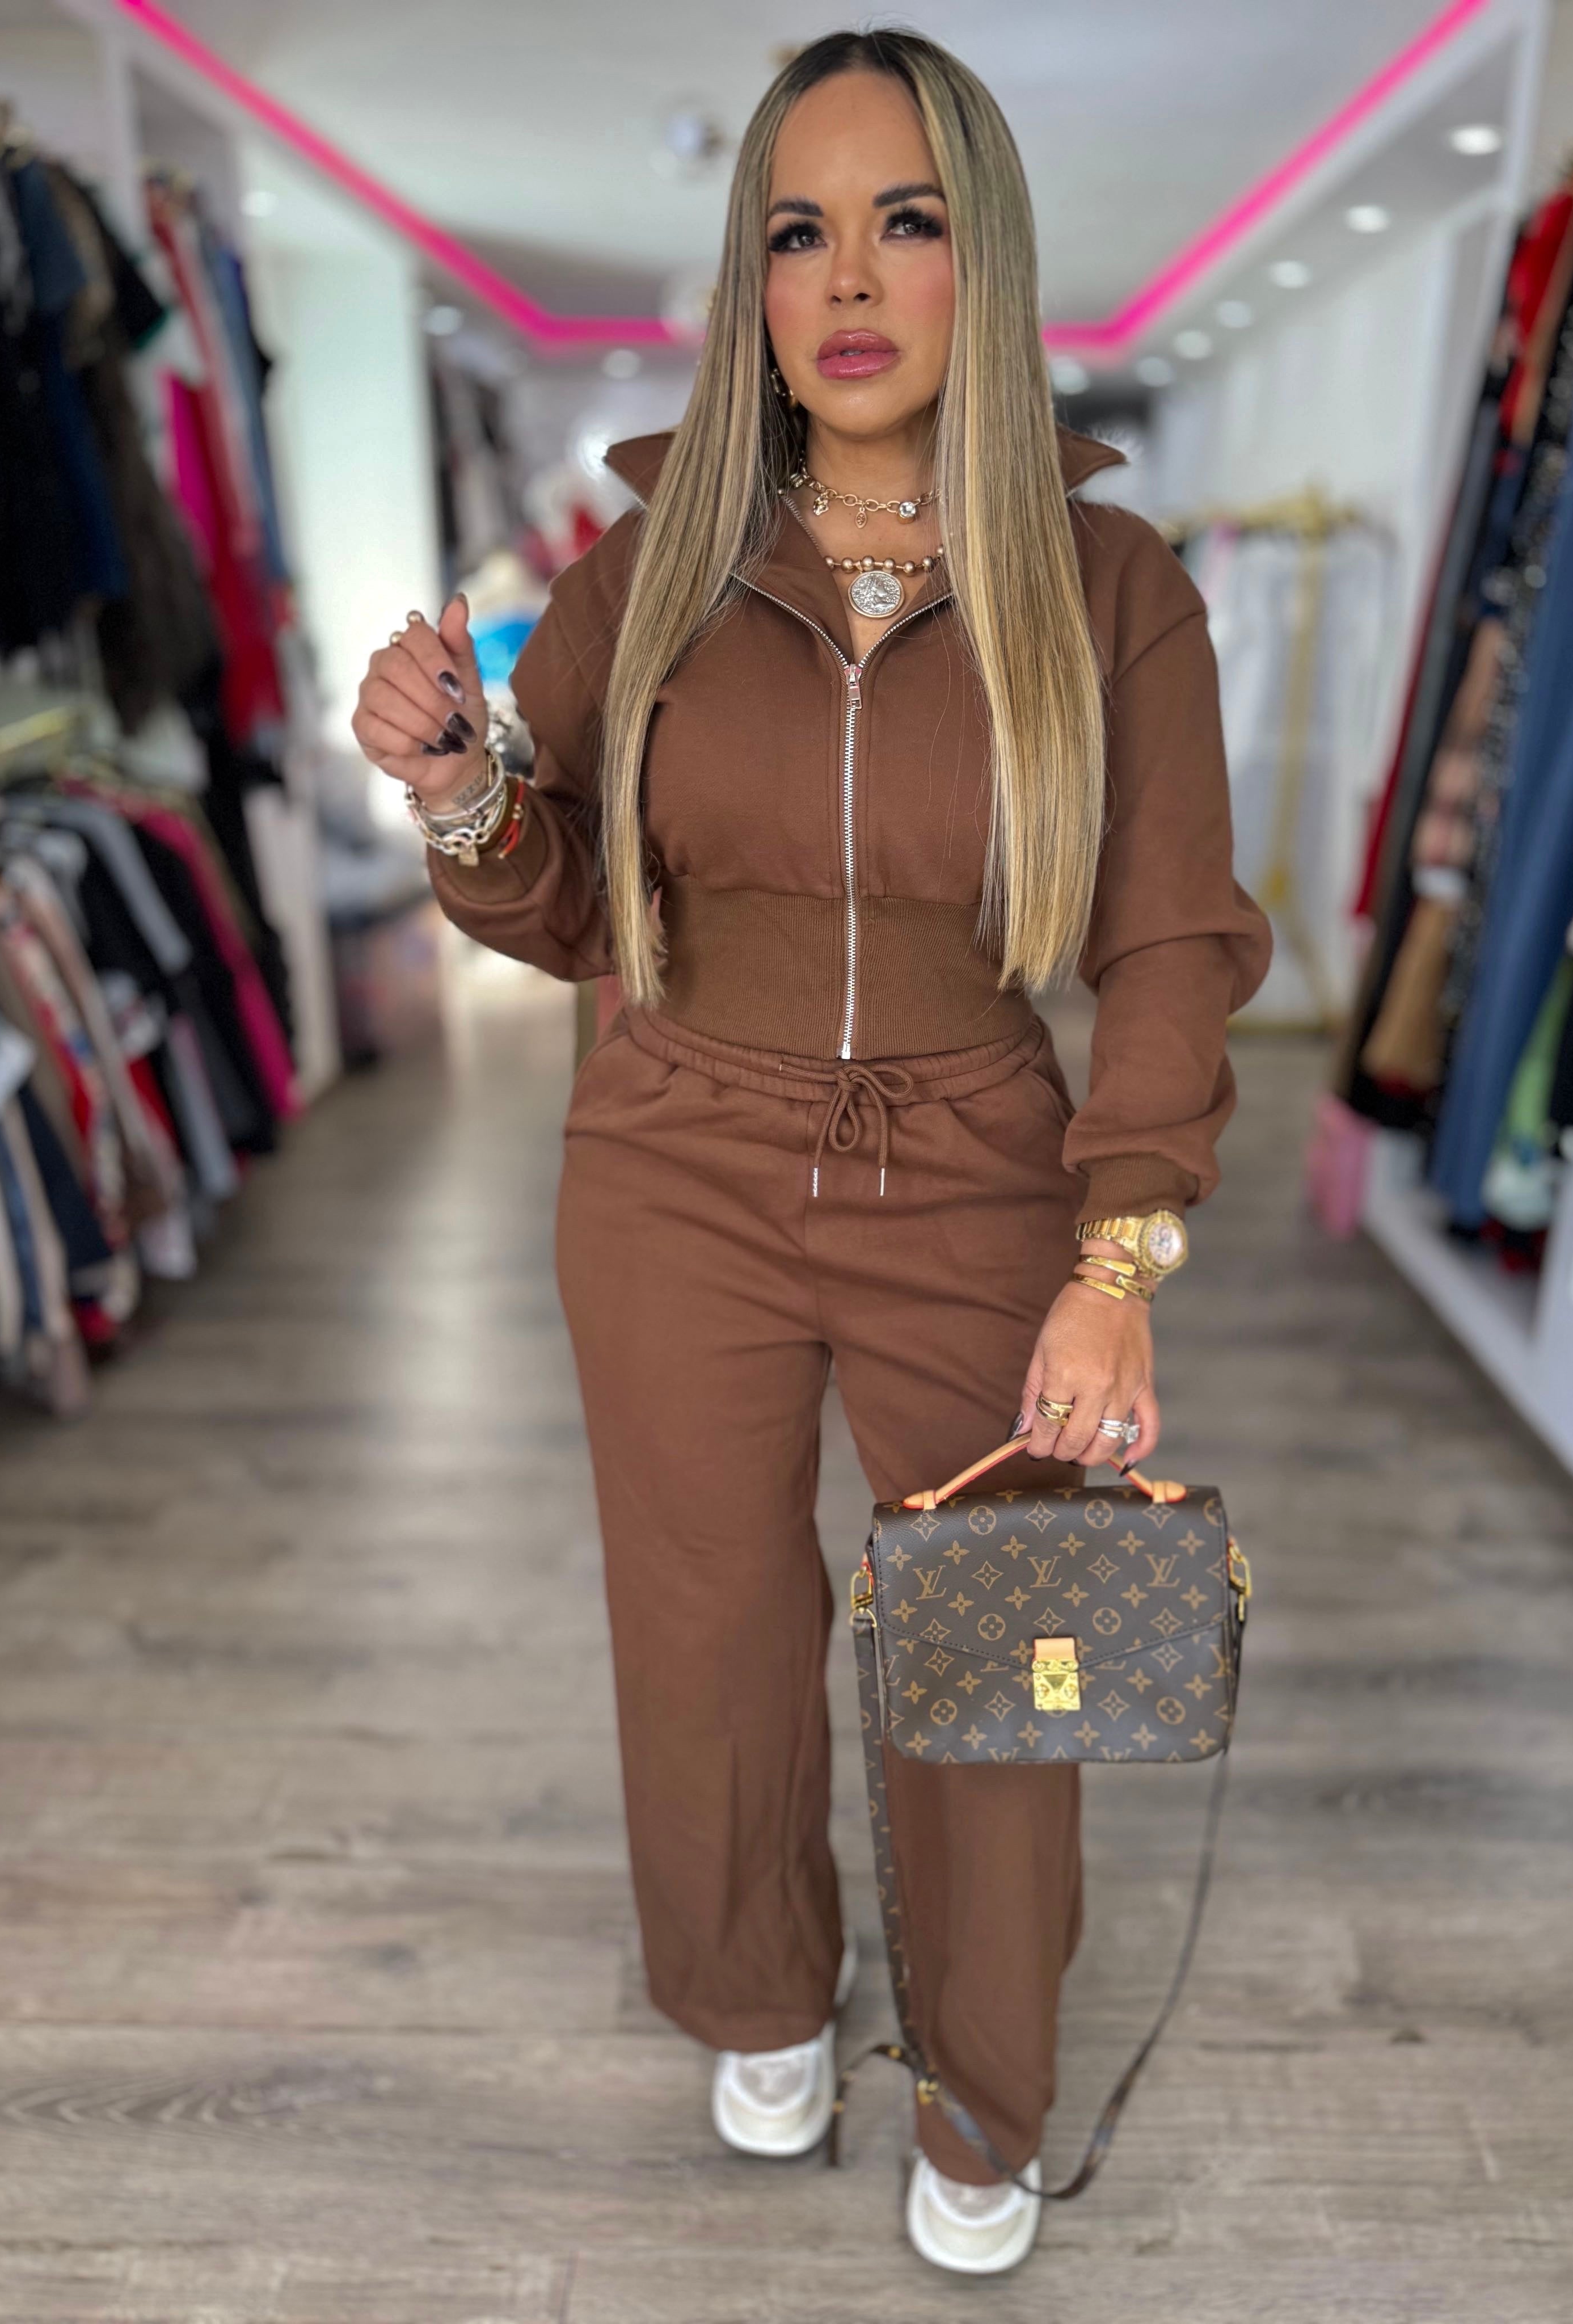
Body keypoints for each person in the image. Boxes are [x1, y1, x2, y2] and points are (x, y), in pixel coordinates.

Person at [352, 27, 1270, 2277]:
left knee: (1004, 1640)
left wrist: (1118, 1259)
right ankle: (761, 1986)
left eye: (904, 220)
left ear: (985, 260)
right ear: (749, 281)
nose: (847, 278)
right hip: (673, 1154)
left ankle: (984, 2083)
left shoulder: (1108, 584)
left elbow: (1170, 940)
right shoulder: (652, 566)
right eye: (797, 230)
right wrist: (462, 790)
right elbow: (570, 898)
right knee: (709, 1622)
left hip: (979, 1162)